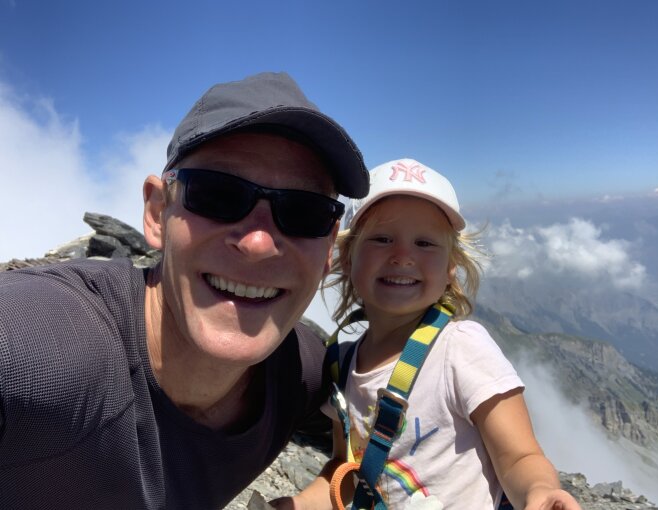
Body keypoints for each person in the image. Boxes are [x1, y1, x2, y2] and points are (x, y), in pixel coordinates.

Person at [0, 72, 369, 509]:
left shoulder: (299, 372)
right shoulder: (42, 348)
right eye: (218, 195)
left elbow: (379, 444)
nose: (257, 243)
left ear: (329, 248)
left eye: (304, 212)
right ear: (158, 212)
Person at [275, 159, 581, 509]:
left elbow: (519, 457)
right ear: (348, 258)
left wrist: (539, 490)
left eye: (425, 243)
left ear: (451, 267)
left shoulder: (463, 348)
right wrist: (298, 505)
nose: (403, 256)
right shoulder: (340, 364)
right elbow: (345, 472)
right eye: (382, 239)